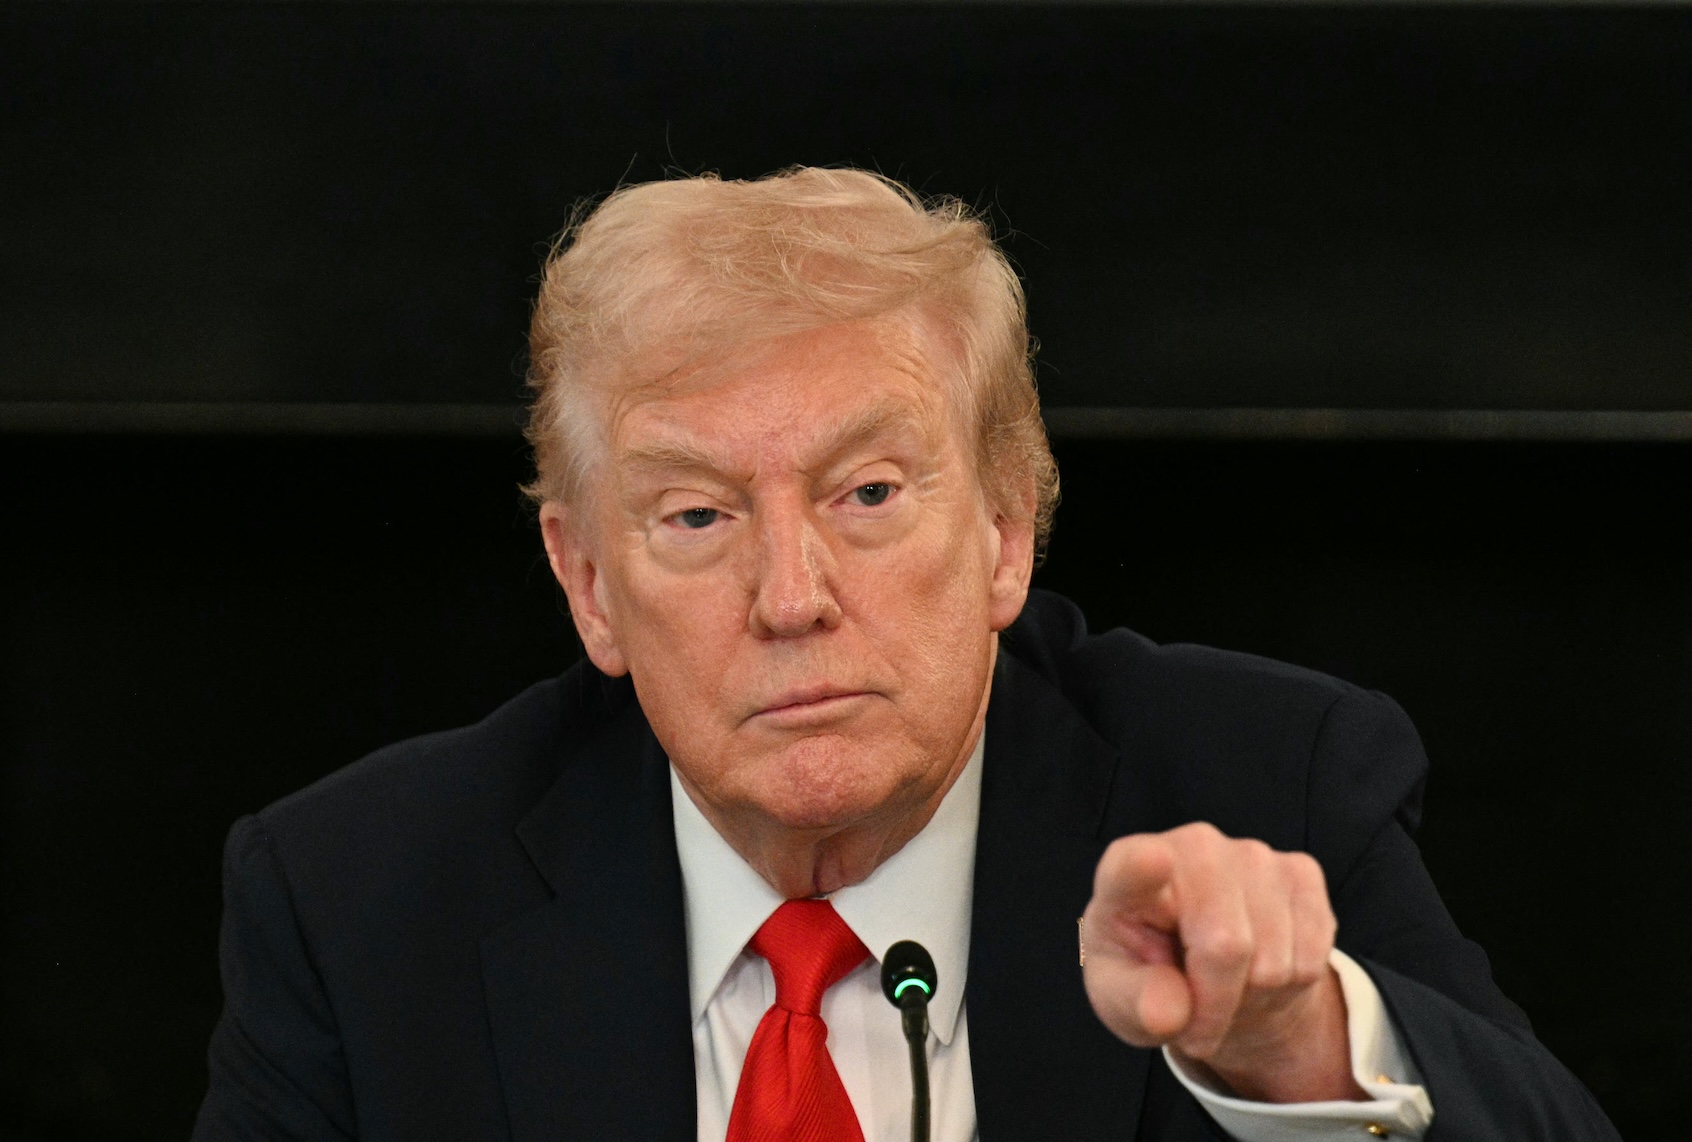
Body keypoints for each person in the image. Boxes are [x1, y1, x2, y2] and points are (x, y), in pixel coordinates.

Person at [193, 167, 1617, 1140]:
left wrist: (1302, 1047)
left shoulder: (1264, 785)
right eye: (696, 514)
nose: (792, 594)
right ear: (589, 585)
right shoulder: (358, 902)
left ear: (1007, 523)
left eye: (868, 494)